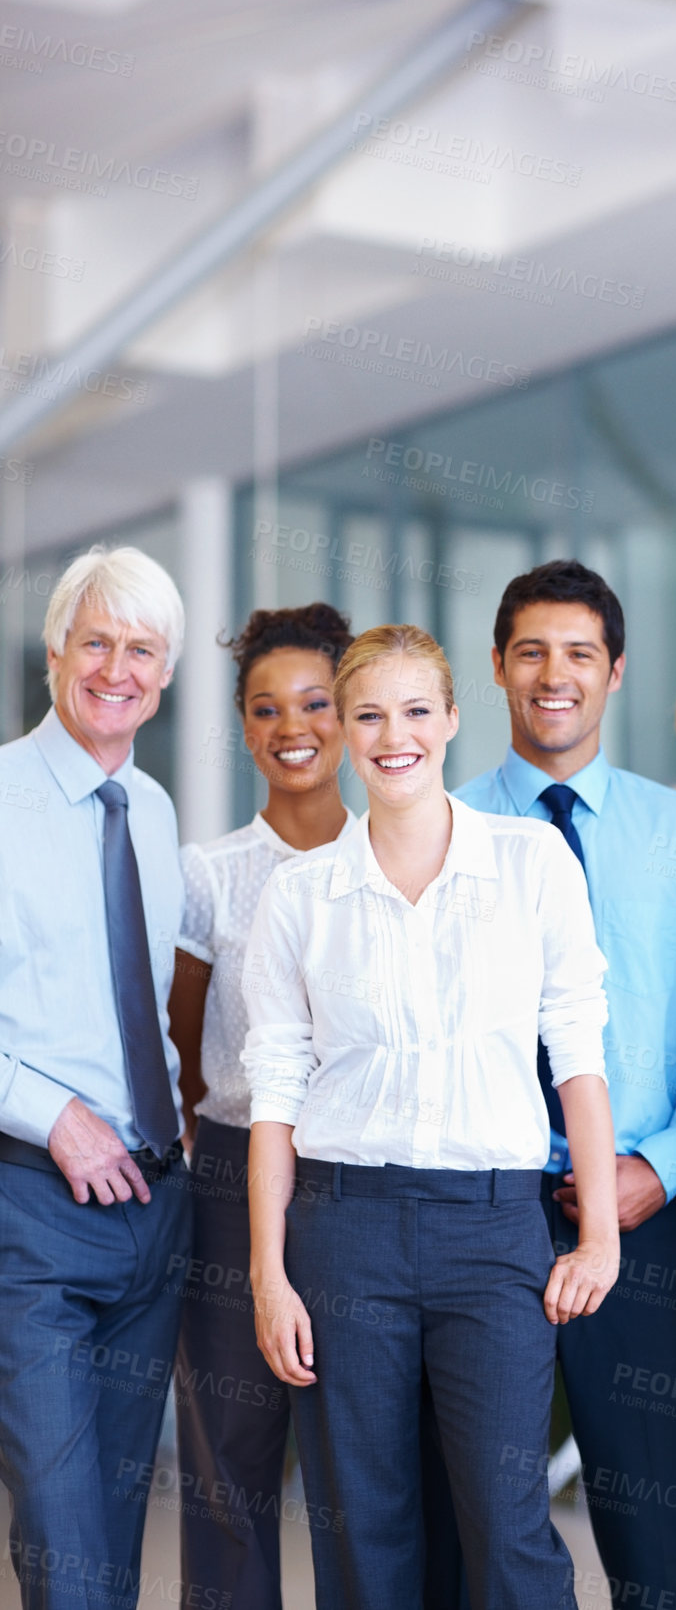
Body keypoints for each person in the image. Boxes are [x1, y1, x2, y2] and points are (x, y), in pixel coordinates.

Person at [242, 623, 620, 1610]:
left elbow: (578, 1054)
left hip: (490, 1232)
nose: (393, 735)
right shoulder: (301, 895)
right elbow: (275, 1095)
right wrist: (269, 1273)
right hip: (341, 1230)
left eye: (416, 710)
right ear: (342, 732)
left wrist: (601, 1238)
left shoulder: (531, 862)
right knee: (362, 1528)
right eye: (367, 714)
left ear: (453, 719)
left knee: (508, 1526)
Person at [454, 560, 676, 1610]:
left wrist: (658, 1167)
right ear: (497, 669)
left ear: (616, 671)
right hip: (479, 1218)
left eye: (578, 653)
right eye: (530, 652)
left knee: (655, 1539)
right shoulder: (443, 828)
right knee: (482, 1525)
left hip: (645, 1221)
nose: (553, 674)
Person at [0, 545, 191, 1610]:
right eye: (98, 641)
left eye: (143, 649)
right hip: (31, 1207)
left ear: (163, 677)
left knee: (116, 1532)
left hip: (154, 1213)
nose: (117, 667)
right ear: (55, 652)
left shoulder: (155, 811)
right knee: (67, 1540)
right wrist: (48, 1111)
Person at [168, 603, 356, 1610]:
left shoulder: (390, 858)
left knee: (359, 1466)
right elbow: (183, 1046)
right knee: (230, 1462)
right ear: (244, 725)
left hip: (362, 1181)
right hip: (235, 1179)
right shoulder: (211, 875)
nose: (295, 726)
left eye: (318, 702)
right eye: (268, 707)